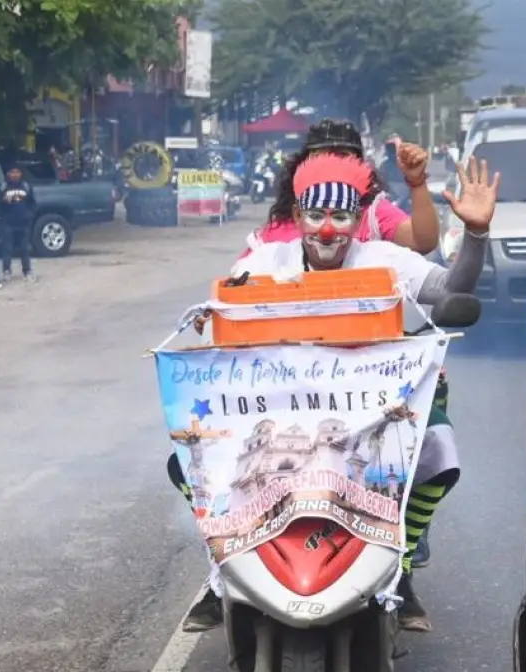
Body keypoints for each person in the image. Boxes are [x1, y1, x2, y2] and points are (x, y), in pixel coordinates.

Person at [176, 153, 499, 633]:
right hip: (283, 408)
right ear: (299, 215)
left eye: (341, 217)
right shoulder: (268, 259)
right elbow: (223, 303)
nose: (328, 230)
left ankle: (403, 566)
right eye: (316, 216)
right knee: (190, 457)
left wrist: (475, 233)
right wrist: (211, 314)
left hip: (368, 410)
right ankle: (221, 566)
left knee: (437, 448)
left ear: (358, 219)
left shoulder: (384, 260)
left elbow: (452, 286)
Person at [243, 119, 440, 256]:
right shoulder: (279, 226)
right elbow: (241, 282)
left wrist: (417, 182)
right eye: (322, 156)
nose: (332, 165)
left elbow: (422, 242)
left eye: (342, 156)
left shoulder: (372, 213)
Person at [0, 165, 37, 281]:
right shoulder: (4, 187)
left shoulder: (26, 186)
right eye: (12, 172)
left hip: (23, 222)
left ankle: (27, 271)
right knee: (7, 248)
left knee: (24, 248)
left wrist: (29, 215)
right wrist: (4, 202)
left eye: (17, 172)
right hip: (8, 223)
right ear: (8, 174)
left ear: (21, 174)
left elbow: (32, 203)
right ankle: (6, 271)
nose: (15, 174)